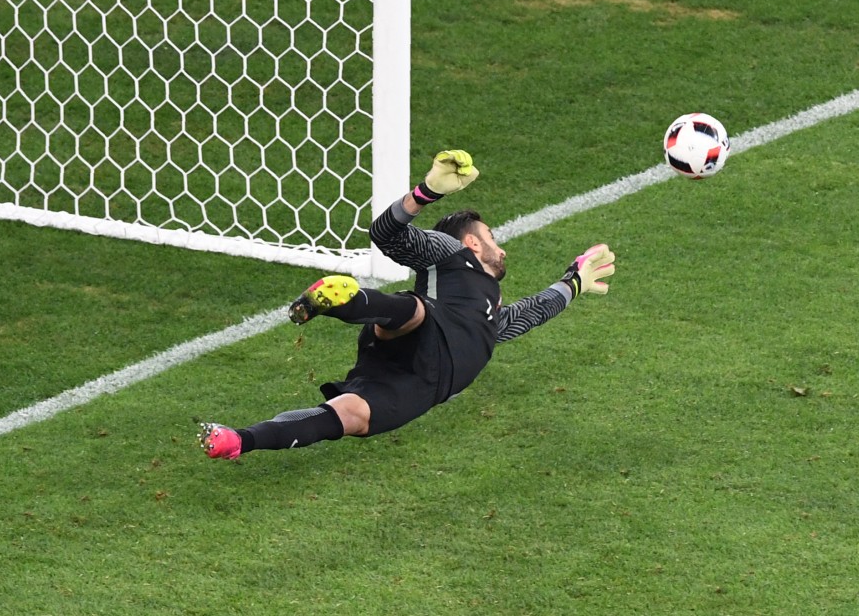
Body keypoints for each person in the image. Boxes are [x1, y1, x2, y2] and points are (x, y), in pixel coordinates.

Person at [198, 150, 616, 460]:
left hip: (422, 384)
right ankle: (342, 300)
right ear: (472, 241)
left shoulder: (489, 315)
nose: (500, 246)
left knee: (350, 417)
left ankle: (237, 440)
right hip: (417, 329)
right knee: (415, 312)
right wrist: (426, 192)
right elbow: (387, 235)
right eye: (492, 236)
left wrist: (573, 282)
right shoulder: (451, 254)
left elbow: (531, 313)